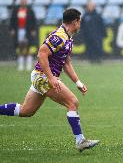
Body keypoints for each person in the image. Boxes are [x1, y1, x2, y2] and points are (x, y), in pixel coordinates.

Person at [0, 8, 99, 152]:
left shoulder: (67, 37)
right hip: (43, 77)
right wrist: (51, 78)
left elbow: (66, 63)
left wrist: (78, 82)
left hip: (42, 77)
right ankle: (80, 141)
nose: (80, 25)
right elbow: (42, 54)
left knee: (26, 111)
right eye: (79, 22)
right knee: (72, 102)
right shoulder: (59, 36)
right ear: (75, 22)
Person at [10, 0, 37, 71]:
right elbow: (12, 20)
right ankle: (21, 65)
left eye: (24, 0)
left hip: (27, 31)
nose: (23, 2)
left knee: (28, 46)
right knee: (20, 47)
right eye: (22, 0)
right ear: (20, 1)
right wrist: (12, 29)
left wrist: (33, 29)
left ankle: (28, 65)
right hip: (19, 31)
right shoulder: (16, 10)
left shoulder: (30, 10)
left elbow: (34, 21)